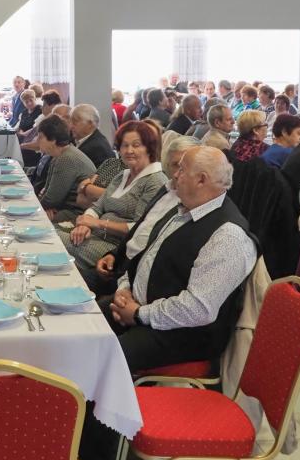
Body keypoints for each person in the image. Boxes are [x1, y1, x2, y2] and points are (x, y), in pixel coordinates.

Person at [106, 146, 257, 371]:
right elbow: (145, 258)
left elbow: (198, 309)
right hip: (142, 309)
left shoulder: (228, 236)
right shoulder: (184, 209)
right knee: (85, 321)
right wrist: (124, 290)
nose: (175, 174)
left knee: (104, 358)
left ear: (201, 179)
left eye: (182, 169)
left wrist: (138, 314)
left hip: (182, 334)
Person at [62, 121, 164, 288]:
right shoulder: (122, 175)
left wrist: (97, 223)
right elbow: (97, 207)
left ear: (149, 148)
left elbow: (140, 228)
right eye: (124, 145)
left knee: (55, 242)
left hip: (114, 249)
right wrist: (85, 225)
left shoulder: (155, 181)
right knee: (52, 237)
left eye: (136, 145)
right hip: (93, 236)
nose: (129, 150)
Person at [94, 136, 199, 291]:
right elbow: (140, 229)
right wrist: (114, 255)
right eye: (175, 165)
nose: (178, 173)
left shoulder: (193, 205)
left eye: (136, 145)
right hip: (122, 264)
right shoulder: (166, 189)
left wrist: (126, 287)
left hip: (138, 279)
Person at [35, 116, 96, 221]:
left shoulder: (66, 159)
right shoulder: (61, 155)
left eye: (40, 137)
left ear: (53, 140)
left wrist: (36, 208)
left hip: (77, 213)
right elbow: (48, 193)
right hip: (64, 208)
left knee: (33, 219)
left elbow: (52, 199)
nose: (37, 140)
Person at [70, 104, 114, 168]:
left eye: (75, 122)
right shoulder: (89, 140)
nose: (71, 126)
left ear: (90, 124)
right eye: (71, 122)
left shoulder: (96, 148)